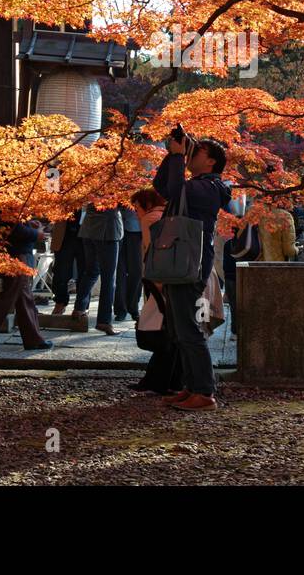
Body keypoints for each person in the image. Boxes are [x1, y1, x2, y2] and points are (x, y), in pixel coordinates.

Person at [153, 131, 231, 413]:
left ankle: (204, 392)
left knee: (188, 328)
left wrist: (177, 155)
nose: (191, 153)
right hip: (181, 260)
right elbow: (162, 185)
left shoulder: (211, 187)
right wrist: (173, 154)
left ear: (210, 162)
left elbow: (174, 190)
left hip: (192, 263)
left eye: (196, 151)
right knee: (178, 328)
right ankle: (191, 385)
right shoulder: (198, 184)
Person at [0, 219, 53, 352]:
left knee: (23, 296)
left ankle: (33, 338)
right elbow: (14, 229)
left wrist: (31, 224)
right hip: (16, 254)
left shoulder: (13, 202)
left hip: (19, 252)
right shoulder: (8, 202)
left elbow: (15, 225)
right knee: (10, 295)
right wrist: (36, 234)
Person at [128, 188, 180, 394]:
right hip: (174, 278)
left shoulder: (150, 219)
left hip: (157, 281)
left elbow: (152, 252)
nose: (136, 212)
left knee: (160, 330)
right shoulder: (169, 215)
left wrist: (153, 282)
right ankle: (160, 381)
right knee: (169, 331)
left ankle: (158, 381)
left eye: (136, 207)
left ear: (146, 204)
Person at [75, 204, 123, 335]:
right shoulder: (115, 184)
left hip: (88, 229)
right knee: (108, 279)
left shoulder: (88, 183)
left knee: (91, 272)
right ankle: (104, 321)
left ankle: (79, 308)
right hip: (107, 231)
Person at [49, 210, 83, 314]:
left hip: (85, 234)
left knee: (85, 273)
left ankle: (81, 306)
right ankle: (60, 302)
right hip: (64, 234)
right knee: (60, 272)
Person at [114, 203, 143, 323]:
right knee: (119, 272)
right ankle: (120, 309)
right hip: (116, 229)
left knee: (136, 271)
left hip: (137, 229)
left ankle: (133, 307)